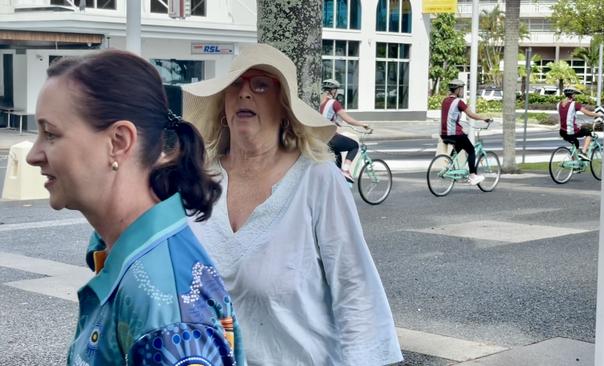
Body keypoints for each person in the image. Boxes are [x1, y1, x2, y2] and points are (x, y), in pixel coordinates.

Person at [182, 43, 402, 366]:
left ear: (284, 108)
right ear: (223, 108)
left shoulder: (317, 179)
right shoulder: (198, 180)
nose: (245, 93)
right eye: (236, 85)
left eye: (260, 85)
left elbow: (354, 287)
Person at [26, 50, 244, 366]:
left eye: (50, 134)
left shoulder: (165, 309)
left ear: (118, 141)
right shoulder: (126, 258)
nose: (33, 155)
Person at [440, 79, 492, 185]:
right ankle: (472, 176)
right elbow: (471, 115)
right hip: (455, 133)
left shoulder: (445, 100)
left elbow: (450, 116)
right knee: (471, 150)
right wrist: (484, 118)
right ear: (458, 90)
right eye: (462, 89)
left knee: (459, 147)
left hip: (444, 133)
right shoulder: (459, 102)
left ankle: (448, 167)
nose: (463, 91)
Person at [320, 79, 369, 183]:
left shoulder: (319, 102)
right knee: (354, 145)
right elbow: (348, 119)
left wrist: (334, 122)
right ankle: (346, 171)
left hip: (320, 138)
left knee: (337, 157)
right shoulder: (334, 103)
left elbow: (324, 117)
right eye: (336, 90)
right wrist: (362, 124)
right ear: (332, 91)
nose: (336, 92)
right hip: (330, 137)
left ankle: (336, 182)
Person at [558, 86, 602, 160]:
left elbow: (563, 117)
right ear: (572, 95)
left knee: (575, 143)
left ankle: (575, 165)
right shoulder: (575, 104)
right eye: (574, 94)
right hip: (571, 131)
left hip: (562, 131)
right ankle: (583, 153)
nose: (575, 95)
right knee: (589, 133)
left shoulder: (559, 104)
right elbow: (588, 113)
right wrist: (599, 114)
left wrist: (576, 124)